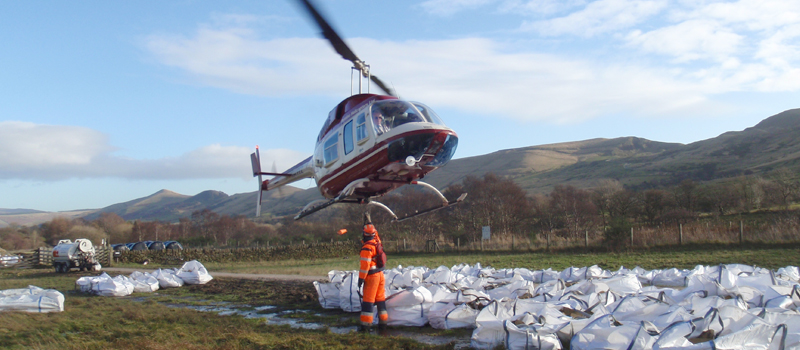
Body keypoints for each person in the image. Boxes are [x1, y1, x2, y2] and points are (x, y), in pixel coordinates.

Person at [358, 221, 388, 333]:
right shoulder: (377, 242)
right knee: (380, 300)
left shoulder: (367, 248)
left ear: (364, 234)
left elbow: (365, 266)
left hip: (372, 277)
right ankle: (383, 324)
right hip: (381, 275)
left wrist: (361, 279)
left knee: (368, 301)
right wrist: (369, 222)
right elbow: (377, 235)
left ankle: (365, 327)